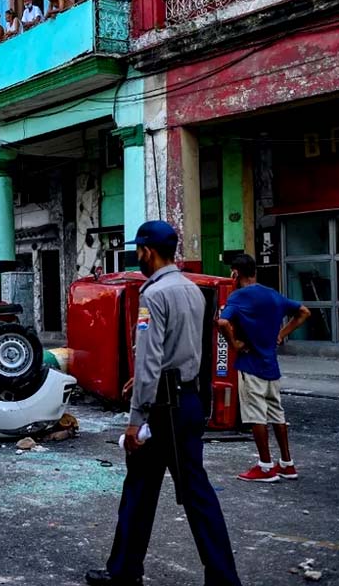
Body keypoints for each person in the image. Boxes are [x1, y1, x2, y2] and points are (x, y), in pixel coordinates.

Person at [86, 220, 241, 586]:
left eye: (137, 251)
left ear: (147, 252)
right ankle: (213, 577)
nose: (137, 256)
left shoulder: (153, 295)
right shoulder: (191, 290)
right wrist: (144, 381)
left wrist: (135, 418)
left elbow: (150, 357)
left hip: (160, 408)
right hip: (186, 400)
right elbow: (185, 351)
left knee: (172, 492)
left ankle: (127, 572)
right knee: (168, 489)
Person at [217, 254, 311, 483]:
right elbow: (304, 312)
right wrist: (282, 334)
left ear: (235, 273)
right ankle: (287, 464)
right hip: (271, 366)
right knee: (277, 414)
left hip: (251, 366)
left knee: (256, 416)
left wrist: (235, 343)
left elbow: (221, 322)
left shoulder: (238, 296)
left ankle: (265, 465)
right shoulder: (273, 295)